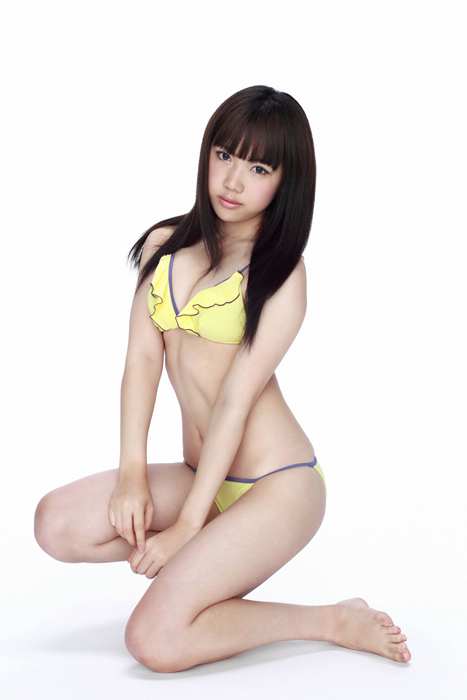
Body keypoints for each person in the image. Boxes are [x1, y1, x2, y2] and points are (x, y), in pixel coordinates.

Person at [34, 84, 411, 671]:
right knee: (56, 524)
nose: (233, 180)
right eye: (225, 155)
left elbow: (236, 400)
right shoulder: (164, 245)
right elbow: (141, 363)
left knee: (154, 641)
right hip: (200, 476)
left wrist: (187, 526)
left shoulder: (280, 274)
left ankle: (331, 620)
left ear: (285, 182)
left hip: (275, 486)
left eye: (259, 168)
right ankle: (205, 574)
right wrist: (132, 474)